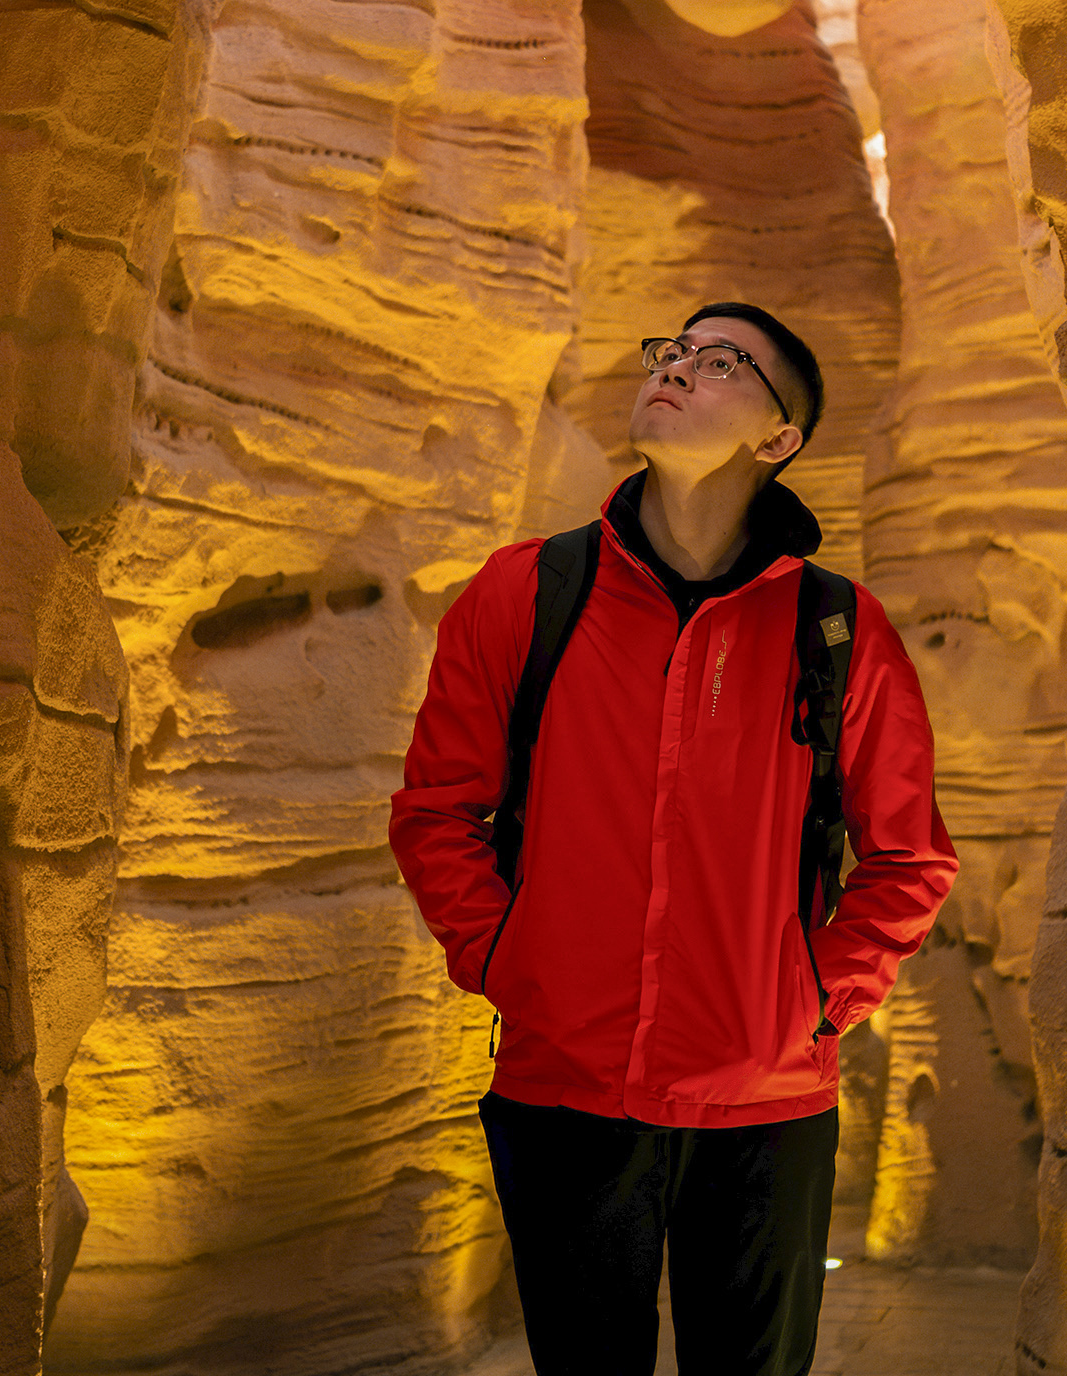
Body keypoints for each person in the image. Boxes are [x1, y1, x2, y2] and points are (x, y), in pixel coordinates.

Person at [389, 301, 958, 1376]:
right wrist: (508, 961)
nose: (678, 367)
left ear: (779, 438)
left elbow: (910, 857)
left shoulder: (838, 629)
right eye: (671, 350)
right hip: (562, 1083)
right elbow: (435, 808)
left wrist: (815, 997)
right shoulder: (527, 592)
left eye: (722, 360)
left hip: (768, 1101)